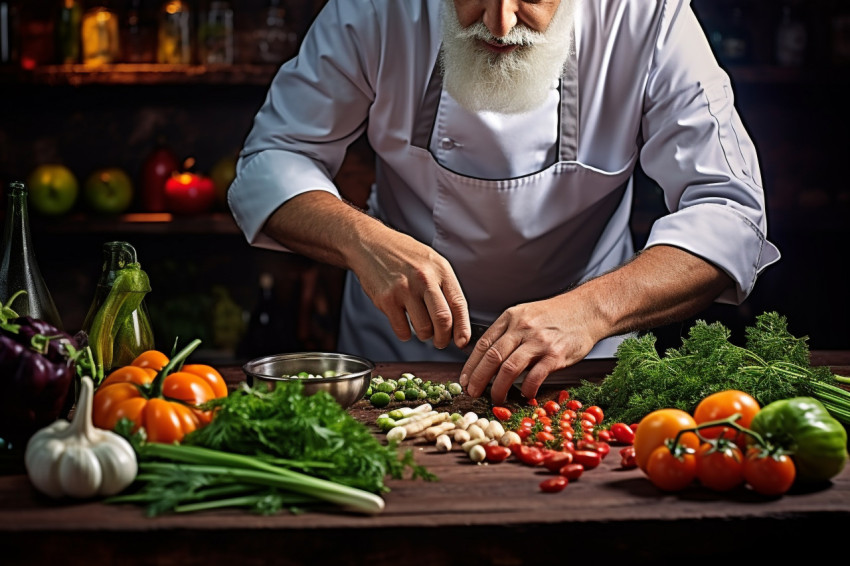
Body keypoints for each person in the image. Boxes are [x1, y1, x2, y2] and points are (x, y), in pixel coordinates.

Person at [227, 0, 780, 403]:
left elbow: (730, 212)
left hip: (583, 365)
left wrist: (590, 311)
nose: (499, 23)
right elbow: (271, 160)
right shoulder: (375, 9)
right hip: (399, 356)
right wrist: (359, 238)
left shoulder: (648, 19)